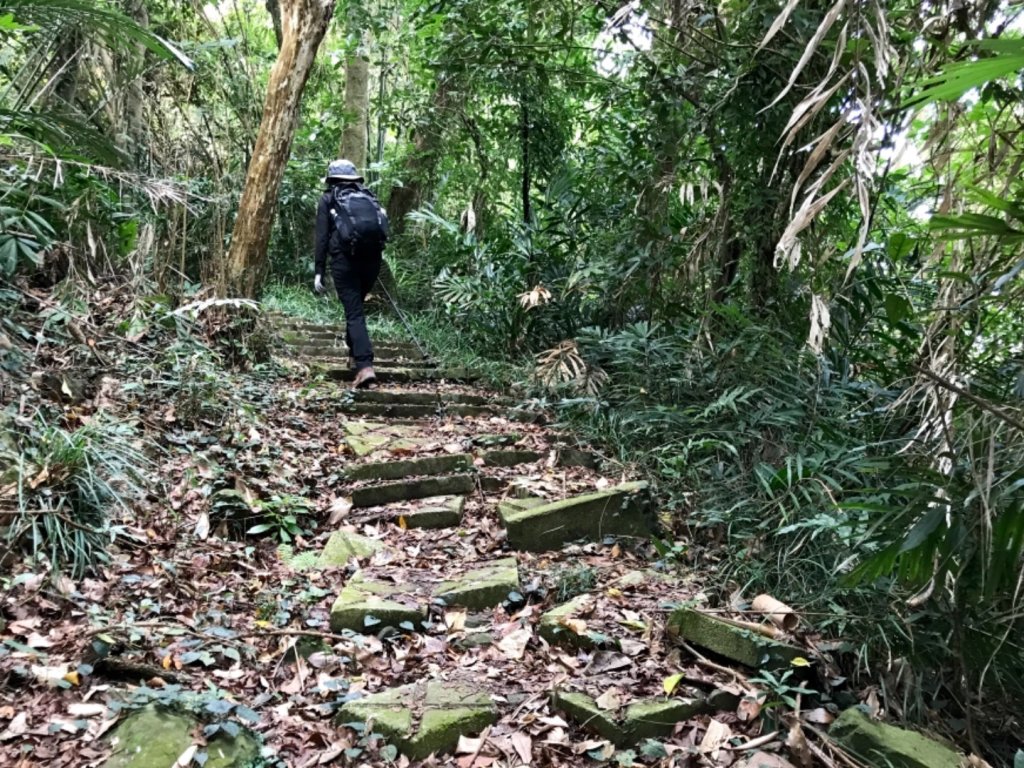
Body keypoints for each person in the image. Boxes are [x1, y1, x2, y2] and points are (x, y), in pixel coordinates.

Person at [313, 159, 389, 389]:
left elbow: (322, 237)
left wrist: (319, 271)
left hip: (344, 262)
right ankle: (355, 355)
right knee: (355, 309)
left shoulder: (328, 199)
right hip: (372, 261)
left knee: (354, 312)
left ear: (332, 179)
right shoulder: (369, 196)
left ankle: (365, 367)